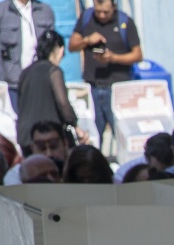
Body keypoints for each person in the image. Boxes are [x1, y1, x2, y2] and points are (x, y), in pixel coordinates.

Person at [70, 0, 138, 152]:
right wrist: (87, 40)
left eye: (105, 12)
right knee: (93, 134)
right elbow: (72, 45)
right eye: (98, 11)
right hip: (93, 87)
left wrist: (114, 58)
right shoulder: (86, 18)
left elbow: (137, 54)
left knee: (121, 132)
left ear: (114, 7)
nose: (101, 15)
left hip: (117, 89)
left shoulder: (125, 22)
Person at [12, 33, 74, 148]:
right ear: (60, 50)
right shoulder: (54, 71)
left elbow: (20, 103)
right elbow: (62, 102)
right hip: (46, 138)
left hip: (24, 135)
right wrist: (73, 122)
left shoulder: (25, 72)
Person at [0, 0, 51, 91]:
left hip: (40, 82)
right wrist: (6, 70)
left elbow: (51, 47)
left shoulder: (44, 11)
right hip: (11, 84)